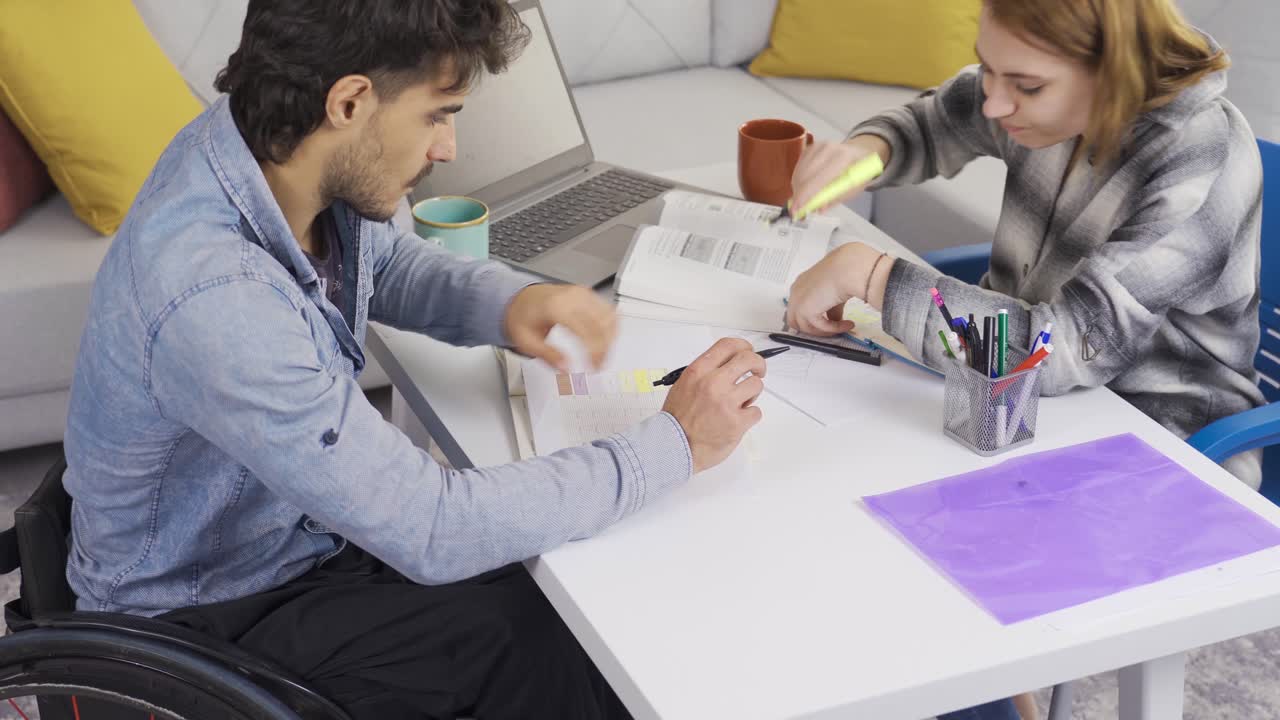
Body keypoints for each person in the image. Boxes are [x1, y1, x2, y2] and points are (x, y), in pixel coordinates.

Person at [61, 1, 768, 717]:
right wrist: (675, 443)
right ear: (349, 100)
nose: (448, 148)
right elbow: (435, 529)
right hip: (202, 620)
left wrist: (509, 302)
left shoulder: (269, 150)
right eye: (438, 114)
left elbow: (384, 264)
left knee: (573, 579)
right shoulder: (216, 299)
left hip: (289, 541)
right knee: (547, 648)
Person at [786, 0, 1265, 494]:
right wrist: (866, 153)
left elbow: (1057, 351)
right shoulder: (1039, 97)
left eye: (1027, 86)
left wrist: (873, 278)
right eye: (989, 68)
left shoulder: (1201, 162)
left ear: (1114, 69)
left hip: (1168, 443)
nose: (994, 103)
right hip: (1018, 400)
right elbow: (938, 122)